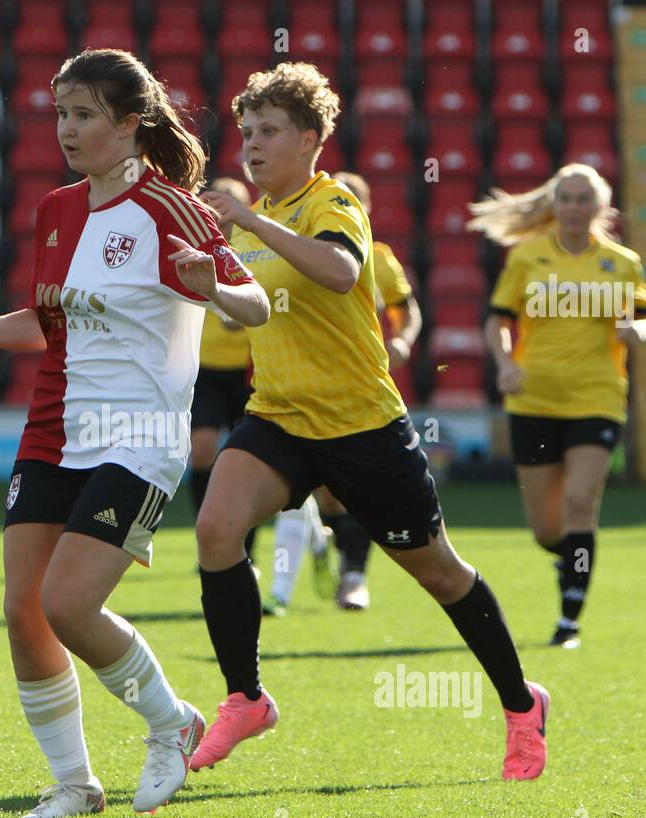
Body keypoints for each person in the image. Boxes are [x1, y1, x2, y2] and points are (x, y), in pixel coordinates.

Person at [0, 49, 269, 818]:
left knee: (70, 605)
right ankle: (74, 782)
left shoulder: (173, 210)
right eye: (60, 115)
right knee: (23, 611)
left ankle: (171, 724)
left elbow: (258, 306)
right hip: (53, 428)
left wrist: (218, 289)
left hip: (138, 436)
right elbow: (45, 326)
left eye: (83, 115)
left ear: (129, 124)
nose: (66, 130)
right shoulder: (56, 210)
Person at [191, 61, 549, 781]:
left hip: (361, 427)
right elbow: (258, 311)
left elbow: (339, 273)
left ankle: (521, 705)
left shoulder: (332, 205)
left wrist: (249, 223)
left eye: (269, 132)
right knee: (215, 531)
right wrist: (210, 286)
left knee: (440, 575)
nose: (252, 147)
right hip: (281, 416)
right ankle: (246, 698)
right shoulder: (255, 225)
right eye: (246, 133)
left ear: (312, 140)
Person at [472, 163, 646, 648]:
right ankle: (569, 554)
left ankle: (569, 619)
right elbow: (497, 321)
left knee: (580, 502)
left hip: (596, 397)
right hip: (534, 400)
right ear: (555, 204)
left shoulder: (621, 262)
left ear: (600, 206)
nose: (574, 207)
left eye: (583, 199)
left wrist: (639, 330)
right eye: (567, 198)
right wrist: (505, 364)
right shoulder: (528, 257)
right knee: (545, 528)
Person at [265, 170, 426, 614]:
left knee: (357, 488)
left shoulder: (379, 258)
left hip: (359, 385)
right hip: (301, 386)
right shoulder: (294, 250)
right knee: (323, 491)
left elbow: (406, 309)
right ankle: (321, 542)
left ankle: (354, 575)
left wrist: (404, 339)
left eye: (357, 198)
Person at [188, 177, 262, 571]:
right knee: (202, 452)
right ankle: (210, 537)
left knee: (248, 463)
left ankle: (245, 548)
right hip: (205, 372)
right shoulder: (194, 248)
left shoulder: (257, 253)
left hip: (250, 374)